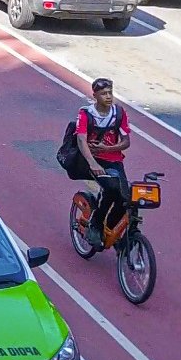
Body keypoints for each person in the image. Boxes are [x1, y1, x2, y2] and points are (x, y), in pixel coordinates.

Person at [75, 78, 131, 250]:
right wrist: (92, 163)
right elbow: (81, 140)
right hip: (94, 160)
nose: (108, 97)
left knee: (126, 198)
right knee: (112, 188)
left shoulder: (119, 113)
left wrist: (109, 147)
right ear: (95, 95)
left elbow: (126, 141)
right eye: (103, 94)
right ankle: (95, 225)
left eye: (110, 93)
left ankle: (109, 228)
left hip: (114, 159)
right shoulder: (86, 114)